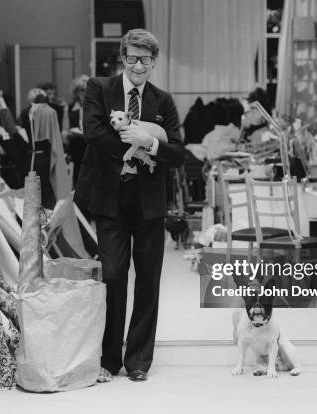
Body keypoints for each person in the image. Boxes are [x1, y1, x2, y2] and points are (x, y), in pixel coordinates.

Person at [74, 29, 184, 382]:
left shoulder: (163, 101)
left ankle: (138, 359)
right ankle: (109, 358)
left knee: (149, 279)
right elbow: (93, 132)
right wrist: (130, 141)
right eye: (133, 58)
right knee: (114, 275)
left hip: (148, 201)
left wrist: (150, 141)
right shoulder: (99, 88)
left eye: (146, 60)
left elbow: (178, 153)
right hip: (110, 197)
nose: (139, 66)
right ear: (123, 58)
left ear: (154, 62)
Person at [65, 74, 90, 185]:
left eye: (88, 89)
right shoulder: (69, 108)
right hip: (76, 147)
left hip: (91, 148)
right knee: (77, 180)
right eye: (82, 90)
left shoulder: (96, 107)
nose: (85, 92)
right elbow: (64, 131)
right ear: (76, 92)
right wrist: (70, 133)